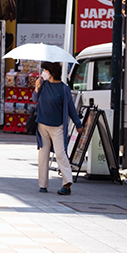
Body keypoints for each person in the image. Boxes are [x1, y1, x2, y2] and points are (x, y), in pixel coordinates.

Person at [33, 61, 83, 195]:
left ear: (51, 72)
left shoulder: (64, 89)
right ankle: (42, 184)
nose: (43, 72)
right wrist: (37, 87)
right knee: (43, 155)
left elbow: (71, 108)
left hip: (57, 127)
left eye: (45, 70)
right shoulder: (43, 85)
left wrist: (78, 124)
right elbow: (34, 99)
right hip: (42, 125)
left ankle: (67, 183)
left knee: (60, 153)